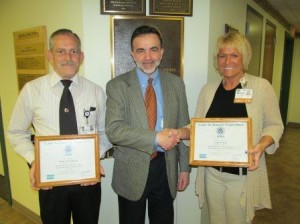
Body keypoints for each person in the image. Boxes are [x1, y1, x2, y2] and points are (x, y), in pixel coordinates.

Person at [7, 29, 112, 224]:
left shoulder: (95, 91)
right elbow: (16, 132)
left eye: (73, 51)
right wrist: (34, 160)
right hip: (50, 181)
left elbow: (105, 132)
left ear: (81, 56)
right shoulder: (32, 90)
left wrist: (94, 158)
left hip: (87, 180)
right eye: (61, 51)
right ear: (49, 55)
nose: (68, 57)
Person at [181, 31, 284, 224]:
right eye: (222, 55)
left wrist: (261, 145)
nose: (227, 60)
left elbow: (275, 125)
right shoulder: (208, 90)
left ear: (244, 58)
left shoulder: (261, 87)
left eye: (234, 55)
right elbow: (197, 126)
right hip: (212, 173)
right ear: (217, 60)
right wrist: (179, 132)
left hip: (242, 175)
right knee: (215, 220)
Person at [105, 25, 190, 224]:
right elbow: (114, 130)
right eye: (141, 50)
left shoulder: (176, 84)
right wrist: (155, 138)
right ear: (132, 54)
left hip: (166, 167)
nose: (148, 57)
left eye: (153, 49)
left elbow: (184, 126)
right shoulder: (117, 86)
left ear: (162, 52)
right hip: (130, 170)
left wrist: (184, 167)